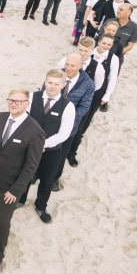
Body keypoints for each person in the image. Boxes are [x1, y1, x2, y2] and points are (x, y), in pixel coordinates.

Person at [0, 89, 45, 272]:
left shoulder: (35, 131)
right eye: (11, 100)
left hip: (10, 186)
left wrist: (16, 190)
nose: (14, 104)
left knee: (3, 221)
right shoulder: (0, 118)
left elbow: (31, 166)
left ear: (27, 103)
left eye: (18, 101)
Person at [22, 70, 76, 222]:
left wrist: (43, 144)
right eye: (50, 82)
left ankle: (40, 206)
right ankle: (20, 200)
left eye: (56, 84)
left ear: (63, 85)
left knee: (47, 180)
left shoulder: (68, 106)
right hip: (29, 147)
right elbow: (24, 119)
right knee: (25, 175)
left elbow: (64, 133)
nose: (52, 86)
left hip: (52, 151)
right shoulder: (32, 97)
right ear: (45, 82)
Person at [66, 35, 120, 167]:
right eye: (80, 50)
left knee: (79, 128)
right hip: (68, 98)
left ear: (91, 50)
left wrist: (105, 96)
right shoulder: (68, 60)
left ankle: (72, 152)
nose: (82, 53)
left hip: (87, 100)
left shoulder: (98, 68)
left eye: (86, 51)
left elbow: (99, 85)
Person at [50, 51, 96, 189]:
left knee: (60, 155)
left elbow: (84, 107)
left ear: (81, 66)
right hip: (49, 123)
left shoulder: (88, 84)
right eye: (67, 64)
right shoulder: (57, 75)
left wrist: (65, 117)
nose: (68, 68)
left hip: (68, 127)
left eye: (72, 66)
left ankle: (54, 180)